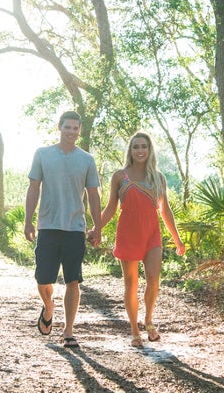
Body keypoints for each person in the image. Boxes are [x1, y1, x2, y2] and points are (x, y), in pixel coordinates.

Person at [24, 110, 102, 349]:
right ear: (59, 127)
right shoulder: (43, 154)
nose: (71, 132)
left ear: (79, 130)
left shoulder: (87, 159)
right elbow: (34, 188)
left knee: (73, 281)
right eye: (67, 127)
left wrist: (97, 227)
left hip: (75, 228)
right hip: (47, 226)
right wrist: (28, 221)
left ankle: (69, 332)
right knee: (43, 279)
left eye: (75, 128)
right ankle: (48, 306)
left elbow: (93, 195)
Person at [100, 131, 186, 348]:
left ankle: (148, 320)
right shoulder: (120, 176)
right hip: (128, 234)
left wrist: (177, 239)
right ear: (130, 150)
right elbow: (111, 207)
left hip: (152, 235)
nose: (140, 151)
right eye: (136, 147)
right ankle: (134, 330)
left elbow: (165, 211)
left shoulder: (159, 178)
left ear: (150, 150)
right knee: (131, 283)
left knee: (154, 280)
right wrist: (96, 228)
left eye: (144, 147)